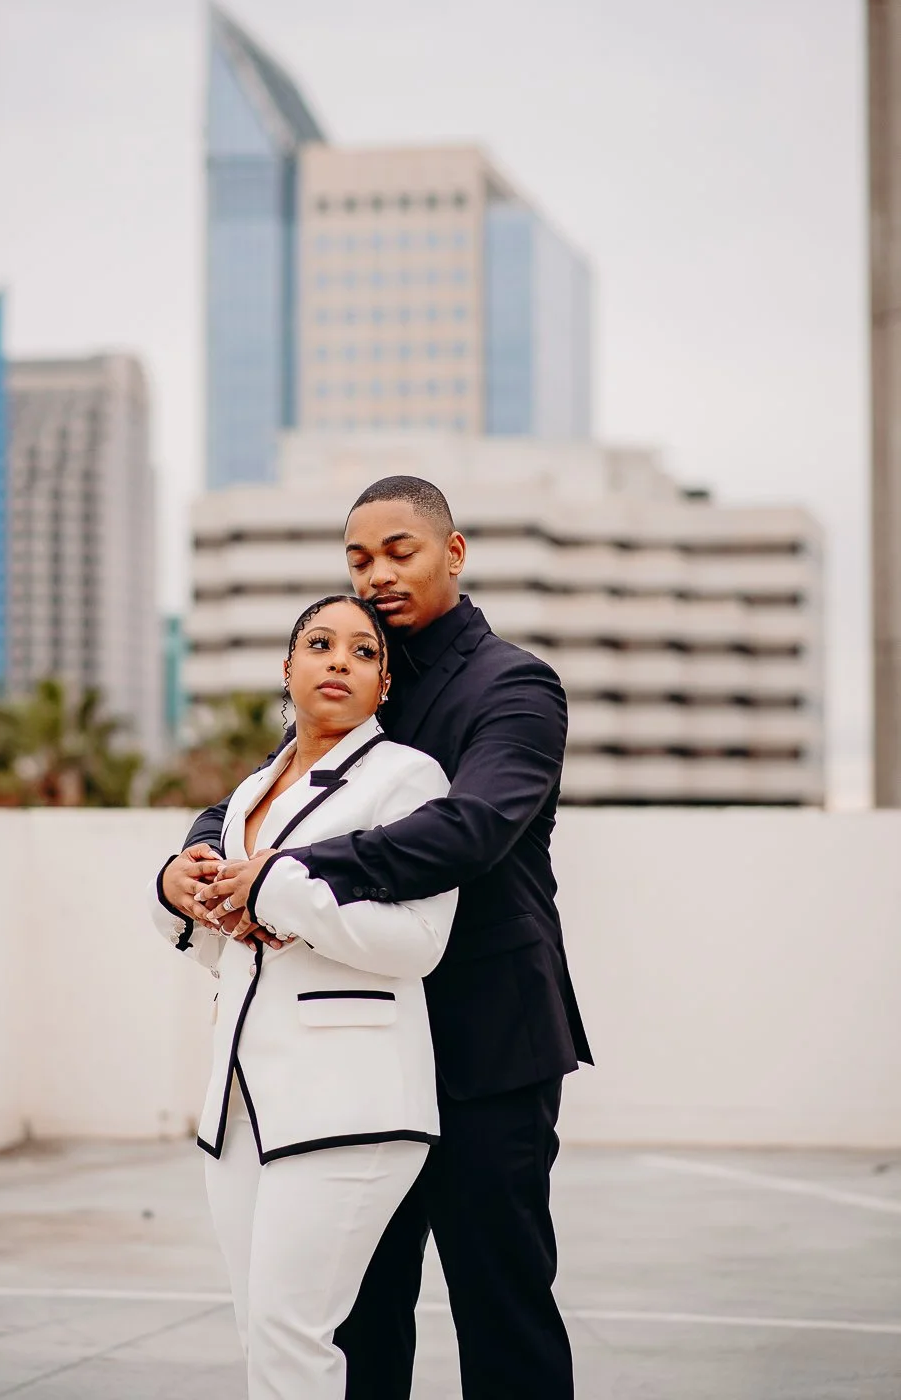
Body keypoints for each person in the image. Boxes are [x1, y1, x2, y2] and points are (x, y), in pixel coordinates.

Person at [168, 475, 593, 1400]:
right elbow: (255, 797)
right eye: (358, 559)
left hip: (488, 1043)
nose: (377, 576)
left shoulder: (515, 686)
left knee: (502, 1308)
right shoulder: (358, 671)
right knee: (353, 1324)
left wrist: (291, 877)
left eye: (400, 551)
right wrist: (191, 864)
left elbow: (473, 828)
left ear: (455, 551)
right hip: (354, 1060)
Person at [154, 592, 456, 1400]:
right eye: (320, 644)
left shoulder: (408, 777)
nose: (339, 662)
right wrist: (177, 894)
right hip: (243, 1102)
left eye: (365, 653)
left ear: (384, 686)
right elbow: (230, 947)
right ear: (286, 668)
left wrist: (282, 891)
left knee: (294, 1336)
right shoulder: (252, 791)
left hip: (352, 1103)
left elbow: (420, 943)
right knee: (264, 1333)